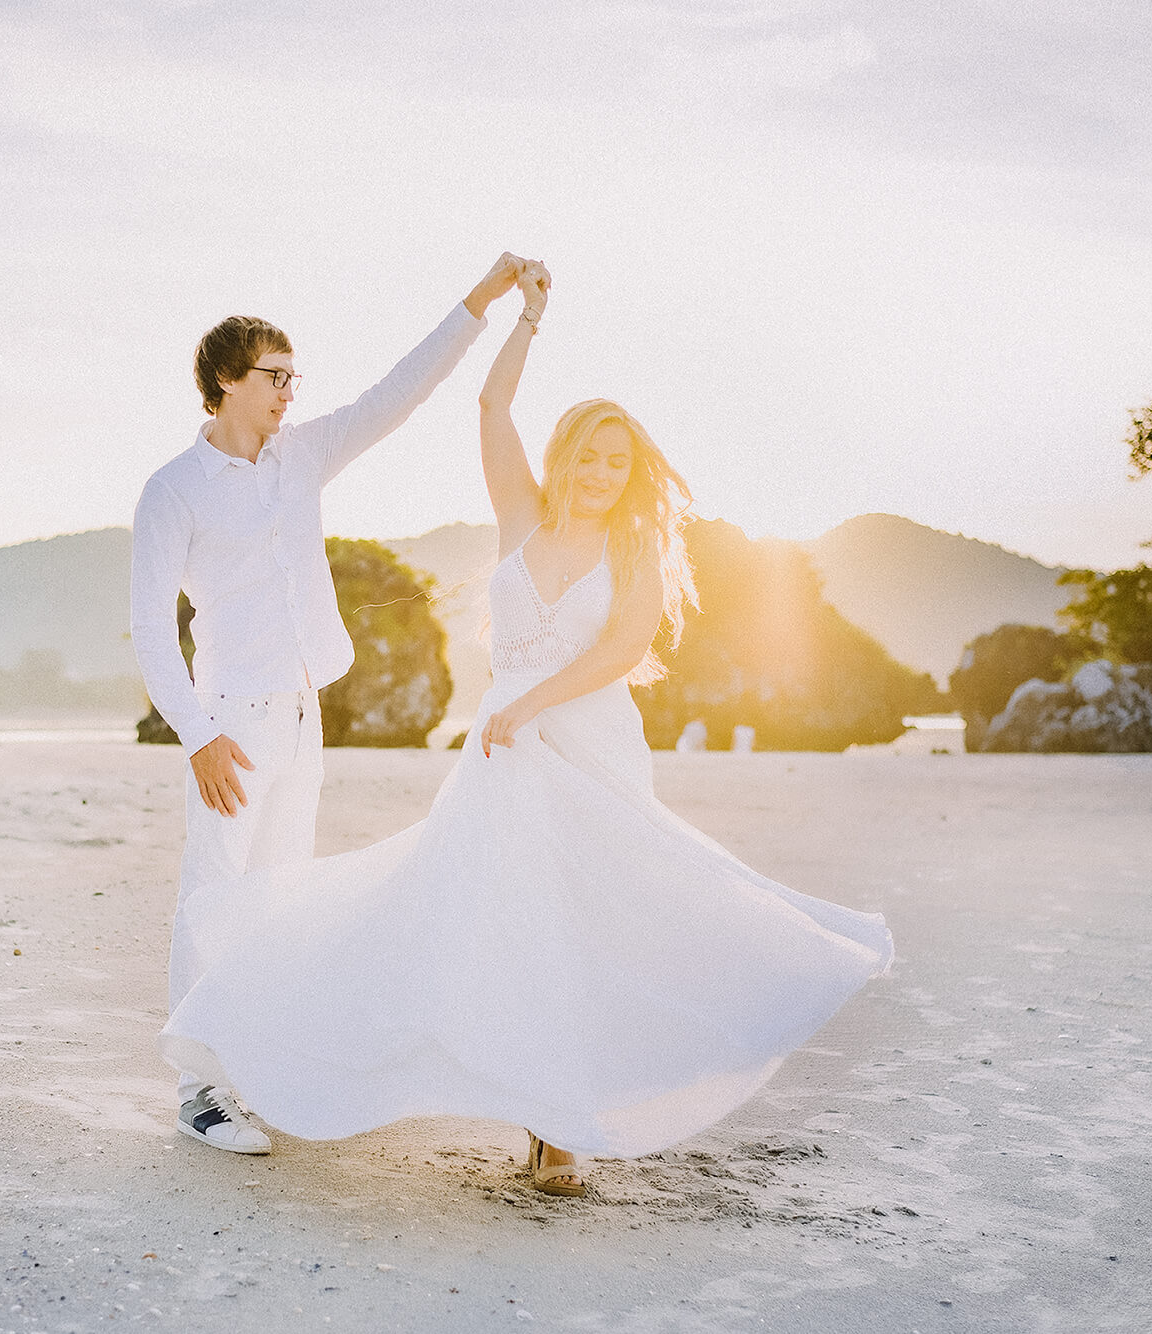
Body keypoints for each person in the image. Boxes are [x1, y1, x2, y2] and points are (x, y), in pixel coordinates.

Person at [157, 262, 894, 1193]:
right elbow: (488, 408)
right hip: (500, 753)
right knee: (491, 920)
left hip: (580, 745)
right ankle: (266, 1062)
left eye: (617, 463)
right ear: (564, 459)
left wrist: (528, 705)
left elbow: (624, 650)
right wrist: (523, 316)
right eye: (587, 455)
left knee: (582, 920)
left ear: (633, 476)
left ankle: (555, 1126)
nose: (599, 474)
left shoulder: (637, 552)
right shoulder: (522, 512)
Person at [131, 253, 529, 1154]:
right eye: (274, 376)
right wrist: (197, 736)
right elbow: (154, 630)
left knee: (278, 894)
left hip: (304, 713)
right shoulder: (173, 491)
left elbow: (401, 391)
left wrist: (483, 299)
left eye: (292, 376)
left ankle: (256, 1066)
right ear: (225, 383)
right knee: (215, 891)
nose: (288, 391)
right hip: (228, 717)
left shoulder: (302, 455)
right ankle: (199, 1087)